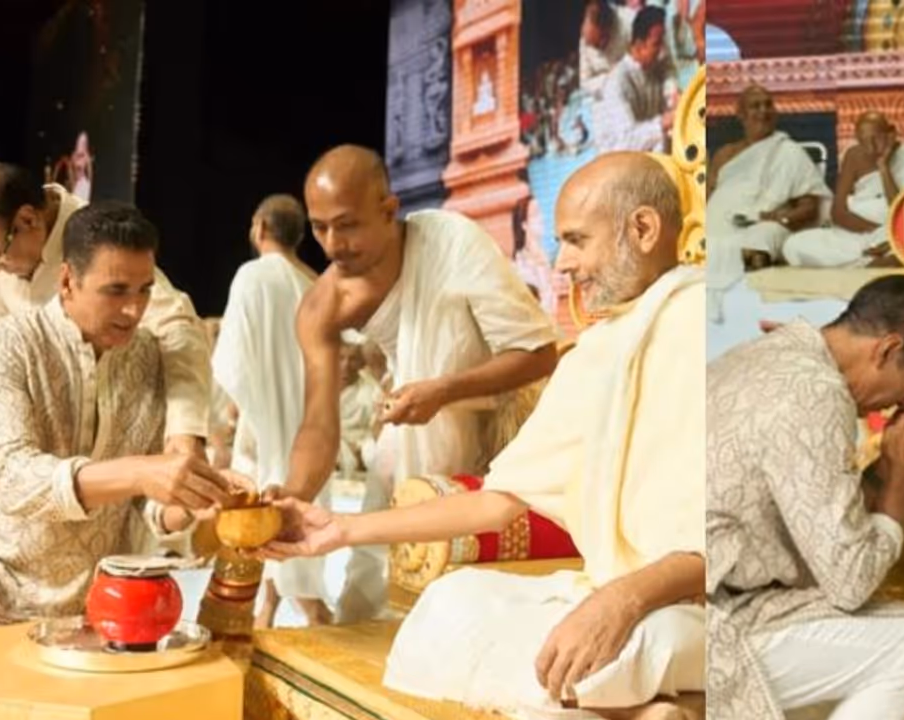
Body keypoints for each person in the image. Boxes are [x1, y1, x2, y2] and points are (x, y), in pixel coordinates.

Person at [263, 152, 705, 718]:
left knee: (634, 648)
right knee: (447, 609)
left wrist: (623, 600)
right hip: (609, 589)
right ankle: (640, 709)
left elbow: (741, 539)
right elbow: (496, 502)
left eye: (576, 241)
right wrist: (339, 529)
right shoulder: (598, 352)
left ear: (642, 229)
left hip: (695, 603)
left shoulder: (707, 325)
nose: (562, 264)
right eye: (320, 227)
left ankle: (633, 704)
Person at [280, 146, 558, 609]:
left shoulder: (453, 242)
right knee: (368, 588)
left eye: (347, 225)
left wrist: (445, 391)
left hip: (507, 440)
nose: (332, 244)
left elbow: (539, 354)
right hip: (413, 433)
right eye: (319, 227)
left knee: (484, 603)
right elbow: (319, 426)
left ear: (389, 210)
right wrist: (290, 499)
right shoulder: (322, 307)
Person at [0, 202, 240, 630]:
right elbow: (11, 478)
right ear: (67, 281)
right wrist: (139, 471)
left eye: (144, 290)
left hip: (92, 615)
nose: (134, 309)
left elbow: (145, 506)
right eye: (116, 291)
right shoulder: (6, 346)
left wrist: (192, 496)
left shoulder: (150, 359)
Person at [708, 275, 904, 719]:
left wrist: (885, 468)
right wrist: (902, 479)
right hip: (717, 624)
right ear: (887, 350)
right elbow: (850, 583)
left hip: (705, 597)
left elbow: (808, 518)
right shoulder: (817, 393)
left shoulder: (764, 353)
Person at [0, 162, 211, 459]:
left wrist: (185, 430)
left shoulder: (97, 239)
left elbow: (176, 326)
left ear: (28, 218)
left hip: (114, 436)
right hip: (34, 446)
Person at [212, 194, 336, 627]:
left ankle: (316, 618)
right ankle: (267, 613)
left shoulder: (252, 275)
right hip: (312, 428)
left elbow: (232, 360)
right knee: (292, 521)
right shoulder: (313, 283)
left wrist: (224, 422)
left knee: (259, 525)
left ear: (260, 227)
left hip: (262, 421)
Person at [706, 84, 830, 302]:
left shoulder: (790, 152)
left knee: (763, 237)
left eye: (768, 105)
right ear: (741, 115)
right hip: (718, 223)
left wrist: (779, 217)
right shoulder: (724, 154)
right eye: (756, 106)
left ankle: (746, 300)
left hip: (763, 225)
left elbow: (810, 207)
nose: (764, 111)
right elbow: (708, 195)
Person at [782, 112, 904, 268]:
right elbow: (838, 212)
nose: (871, 148)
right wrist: (873, 232)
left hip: (895, 231)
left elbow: (903, 212)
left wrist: (884, 168)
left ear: (891, 133)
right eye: (863, 142)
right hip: (858, 234)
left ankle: (878, 257)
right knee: (793, 245)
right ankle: (871, 261)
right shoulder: (853, 155)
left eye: (876, 139)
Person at [595, 7, 673, 153]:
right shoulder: (617, 83)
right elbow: (627, 141)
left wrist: (673, 94)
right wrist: (663, 123)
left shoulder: (655, 67)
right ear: (639, 45)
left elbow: (669, 75)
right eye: (656, 44)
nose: (662, 50)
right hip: (620, 162)